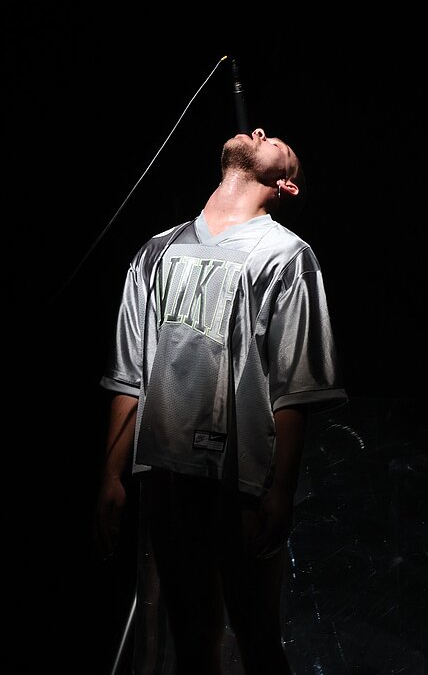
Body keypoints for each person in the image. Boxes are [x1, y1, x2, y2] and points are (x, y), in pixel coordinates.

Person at [95, 127, 348, 674]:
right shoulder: (157, 251)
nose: (260, 132)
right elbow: (130, 373)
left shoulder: (287, 256)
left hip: (242, 483)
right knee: (192, 639)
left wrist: (281, 488)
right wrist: (111, 475)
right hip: (166, 474)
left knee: (257, 639)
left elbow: (295, 387)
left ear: (286, 185)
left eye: (278, 143)